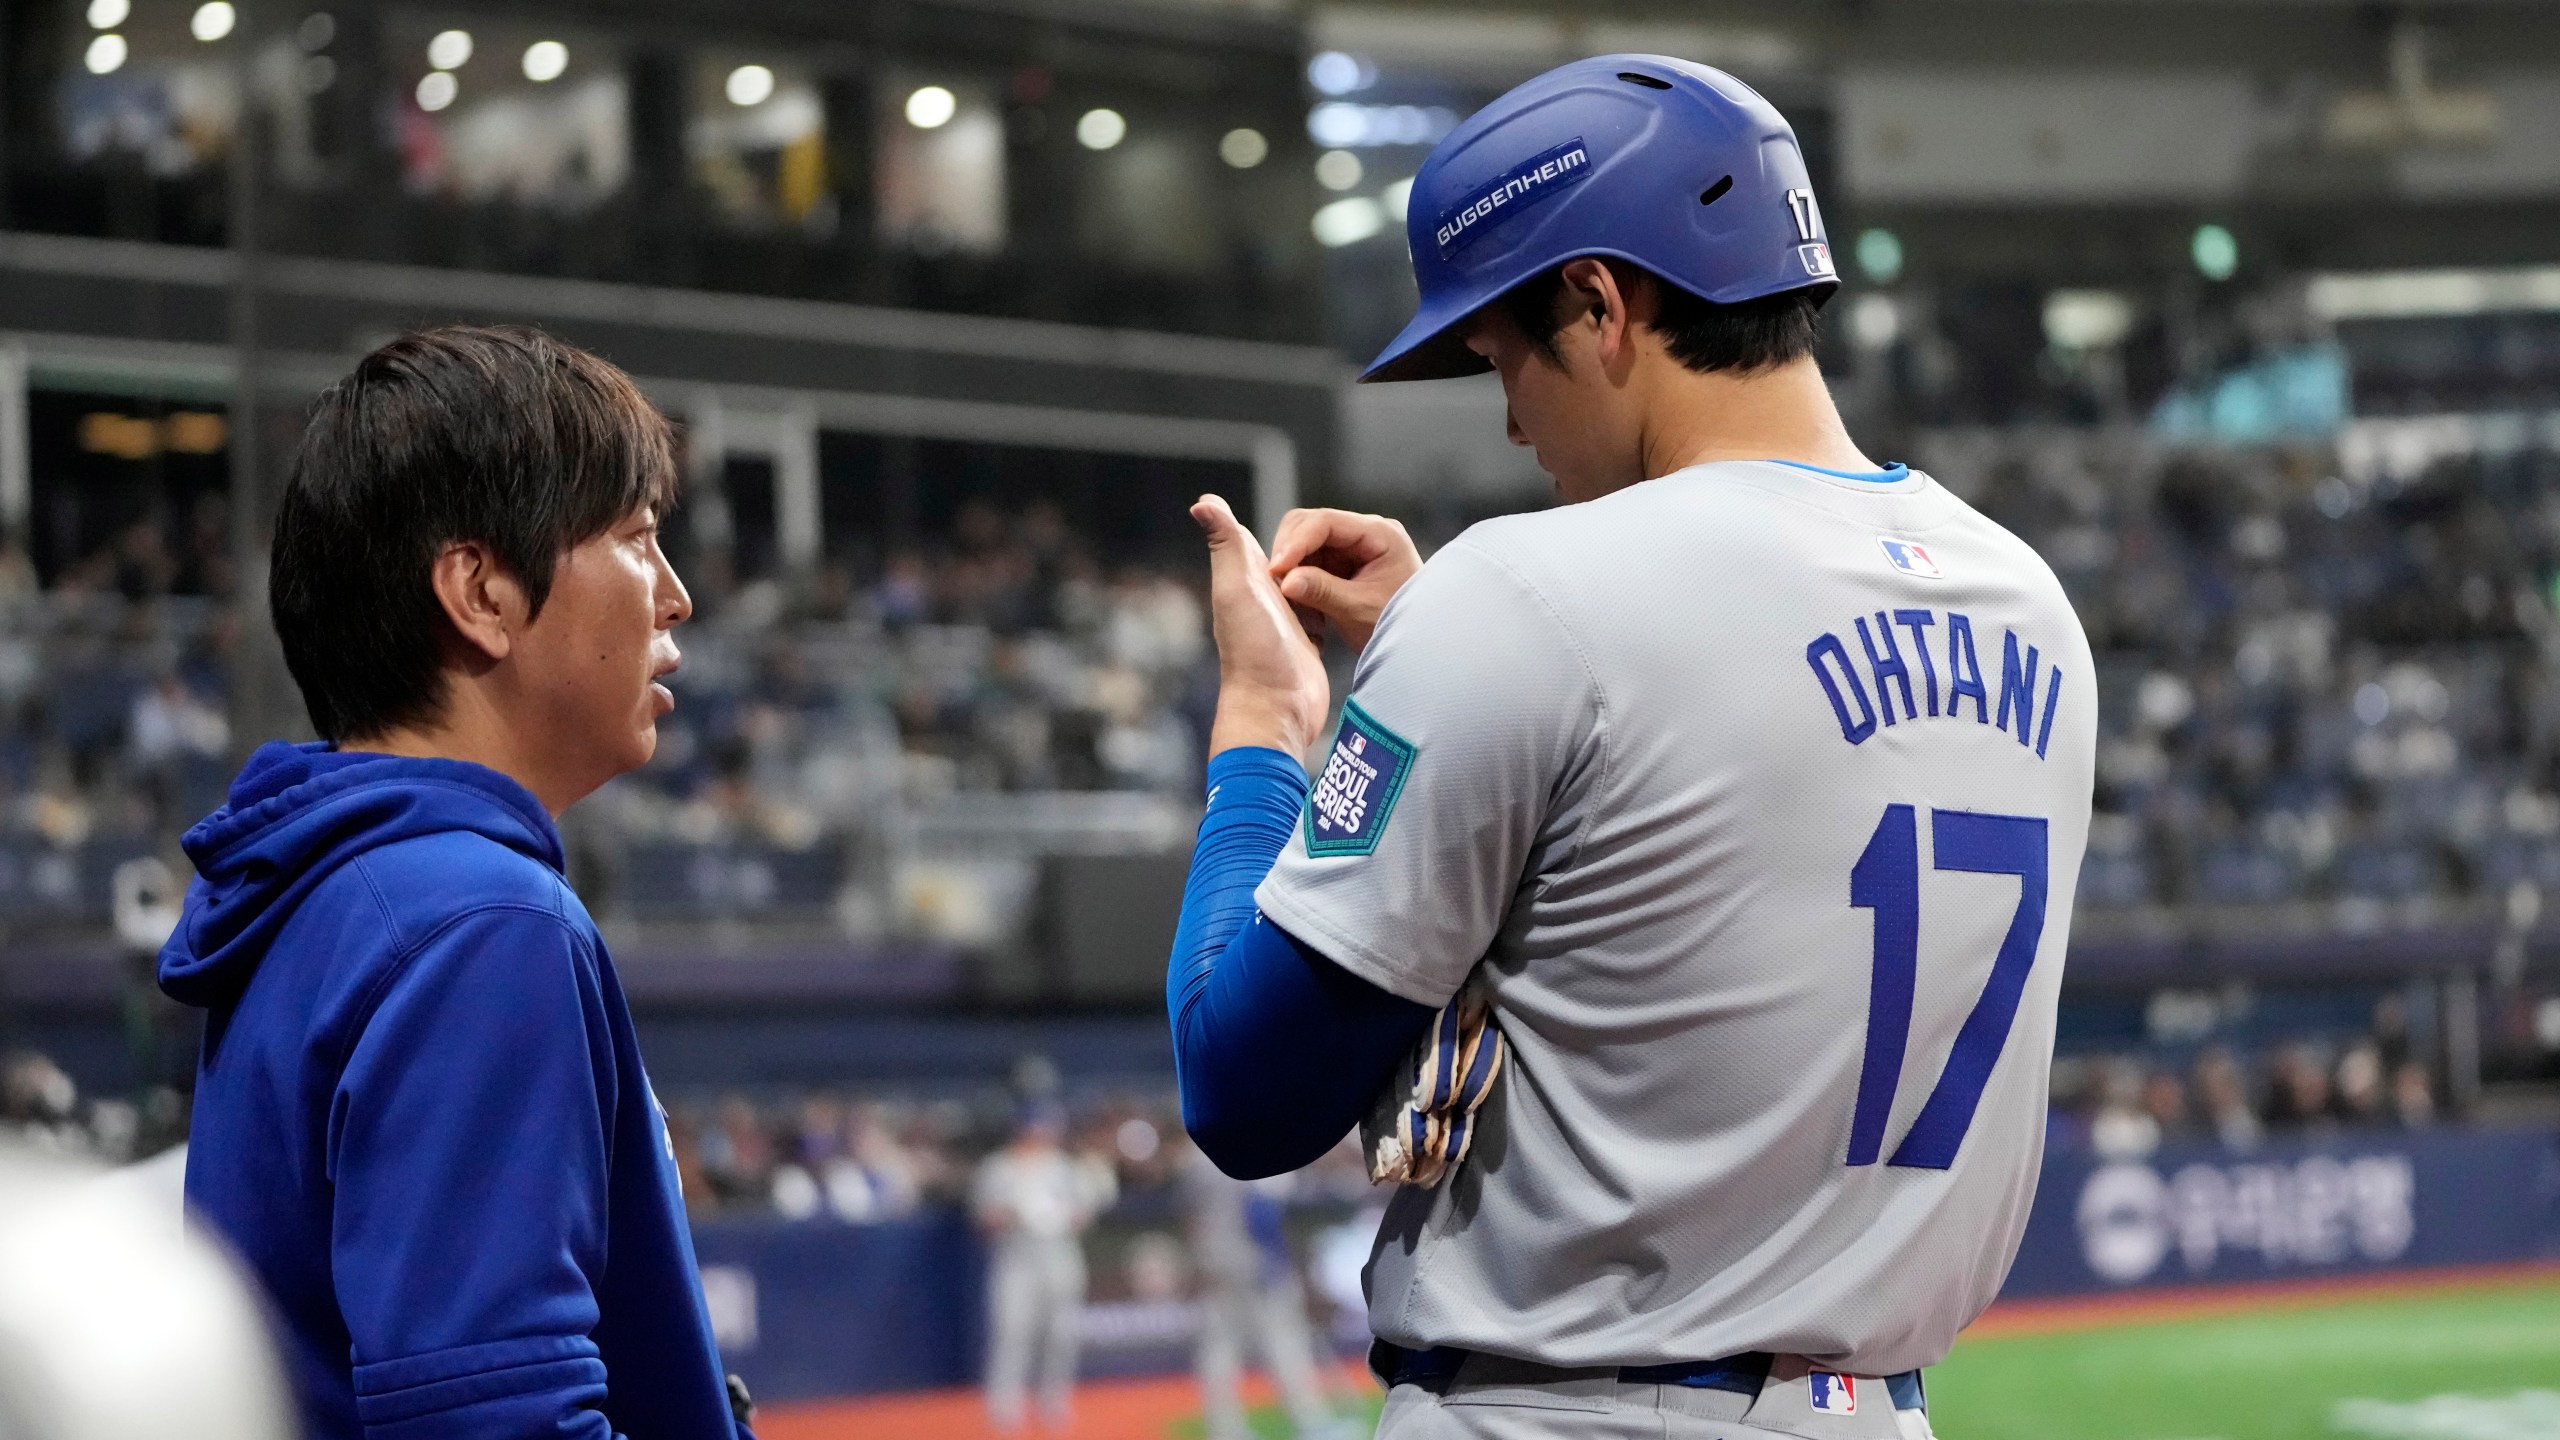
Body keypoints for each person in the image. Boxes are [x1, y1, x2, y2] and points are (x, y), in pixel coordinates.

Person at [1165, 55, 2097, 1440]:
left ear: (1603, 302)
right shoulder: (2031, 600)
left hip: (1567, 1410)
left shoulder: (1527, 593)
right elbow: (1698, 790)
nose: (1507, 413)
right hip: (1873, 1408)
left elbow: (1241, 1088)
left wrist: (1261, 735)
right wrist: (1438, 648)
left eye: (1504, 353)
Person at [158, 326, 753, 1438]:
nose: (672, 597)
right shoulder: (478, 920)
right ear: (479, 590)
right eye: (635, 539)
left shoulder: (331, 893)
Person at [1176, 1143, 1339, 1440]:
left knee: (1219, 1348)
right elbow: (1263, 1217)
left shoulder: (1196, 1159)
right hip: (1256, 1261)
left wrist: (1201, 1260)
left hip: (1215, 1260)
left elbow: (1191, 1219)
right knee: (1283, 1343)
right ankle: (1310, 1423)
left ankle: (1223, 1430)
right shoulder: (1256, 1150)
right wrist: (1281, 1263)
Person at [973, 1102, 1114, 1432]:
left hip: (1059, 1256)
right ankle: (1004, 1406)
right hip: (1016, 1258)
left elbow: (1085, 1214)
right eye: (1038, 1126)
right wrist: (1013, 1214)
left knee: (1061, 1335)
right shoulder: (998, 1167)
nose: (1043, 1133)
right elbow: (983, 1217)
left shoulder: (1064, 1167)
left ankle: (1053, 1402)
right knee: (1011, 1332)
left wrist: (1059, 1217)